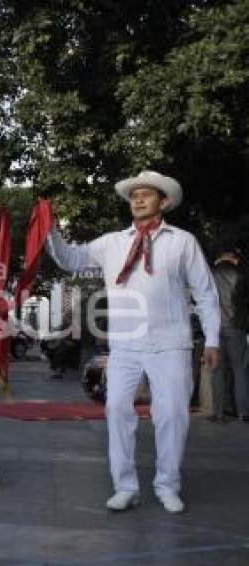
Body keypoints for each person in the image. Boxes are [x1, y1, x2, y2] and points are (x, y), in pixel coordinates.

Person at [45, 170, 221, 513]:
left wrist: (212, 338)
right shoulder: (112, 242)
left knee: (171, 414)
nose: (138, 199)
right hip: (125, 344)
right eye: (134, 195)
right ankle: (125, 486)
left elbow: (205, 291)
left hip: (171, 341)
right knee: (115, 410)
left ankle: (167, 484)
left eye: (146, 194)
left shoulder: (182, 241)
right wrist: (50, 229)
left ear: (163, 202)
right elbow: (70, 259)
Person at [210, 247, 249, 422]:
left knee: (217, 370)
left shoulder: (210, 274)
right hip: (237, 326)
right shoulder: (242, 274)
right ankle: (243, 412)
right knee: (240, 369)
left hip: (215, 327)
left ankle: (219, 411)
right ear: (234, 257)